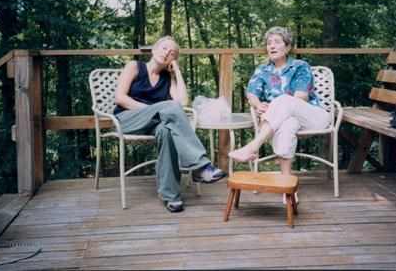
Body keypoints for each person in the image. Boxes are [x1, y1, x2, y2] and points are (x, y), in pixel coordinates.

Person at [114, 36, 225, 213]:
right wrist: (154, 109)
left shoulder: (166, 77)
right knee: (169, 108)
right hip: (127, 119)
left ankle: (171, 196)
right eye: (164, 48)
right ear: (153, 50)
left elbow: (182, 101)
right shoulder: (134, 66)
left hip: (153, 123)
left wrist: (177, 72)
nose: (167, 53)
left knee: (166, 131)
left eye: (172, 53)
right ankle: (199, 166)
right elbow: (120, 98)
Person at [228, 26, 331, 203]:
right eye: (269, 43)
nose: (272, 46)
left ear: (288, 47)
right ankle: (287, 186)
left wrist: (274, 106)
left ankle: (253, 147)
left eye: (277, 42)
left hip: (313, 116)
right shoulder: (262, 70)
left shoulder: (300, 66)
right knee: (286, 125)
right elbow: (251, 93)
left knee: (284, 101)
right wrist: (259, 105)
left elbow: (301, 97)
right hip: (283, 120)